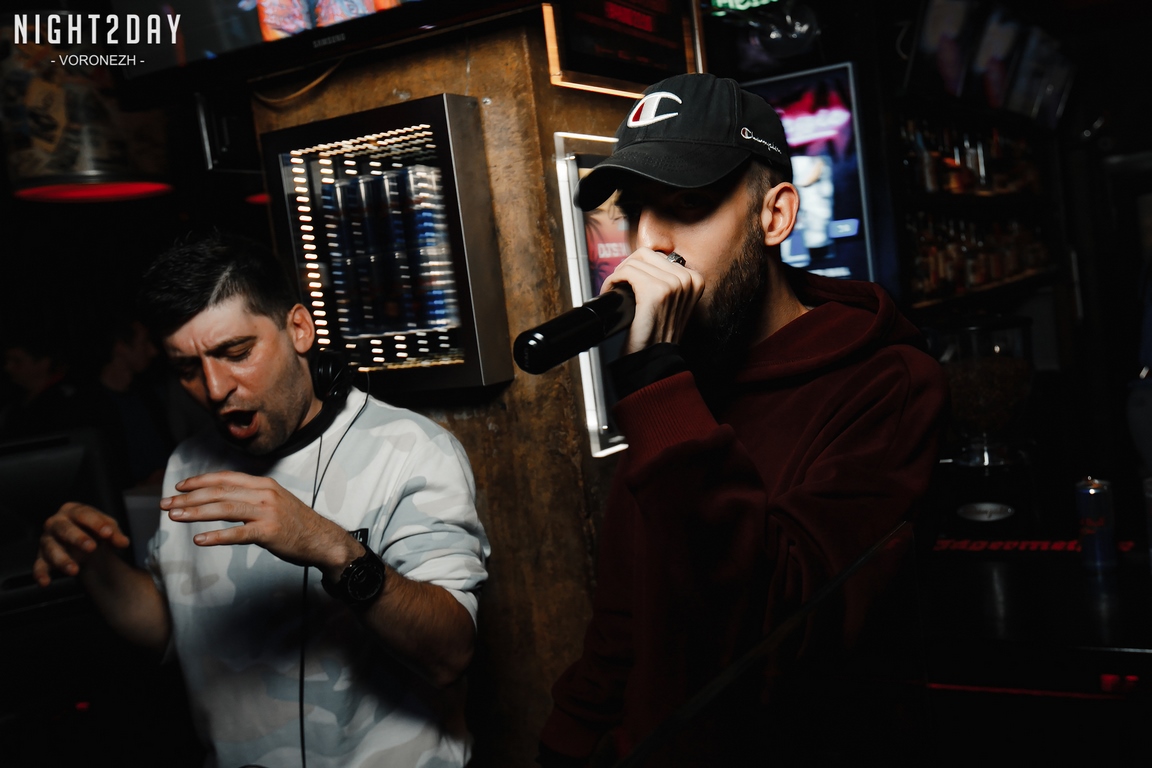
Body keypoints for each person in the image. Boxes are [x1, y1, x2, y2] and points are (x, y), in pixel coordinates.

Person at [537, 74, 948, 766]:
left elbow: (782, 631)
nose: (650, 244)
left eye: (688, 206)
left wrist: (659, 388)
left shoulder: (888, 383)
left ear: (775, 216)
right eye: (635, 211)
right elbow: (629, 616)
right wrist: (568, 743)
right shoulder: (677, 384)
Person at [33, 234, 489, 768]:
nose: (214, 388)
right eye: (187, 369)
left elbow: (450, 654)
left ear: (299, 329)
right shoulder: (187, 464)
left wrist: (331, 547)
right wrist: (94, 565)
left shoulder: (411, 451)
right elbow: (171, 627)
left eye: (236, 353)